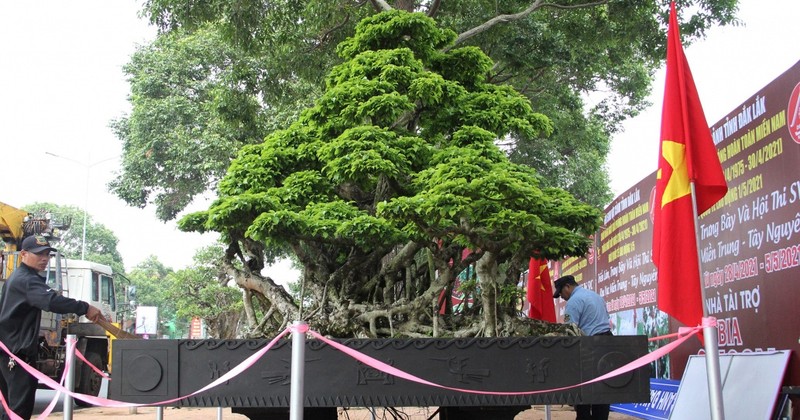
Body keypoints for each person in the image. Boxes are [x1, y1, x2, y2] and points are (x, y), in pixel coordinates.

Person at [0, 235, 106, 420]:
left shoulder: (18, 277)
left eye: (47, 254)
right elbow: (51, 301)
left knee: (8, 409)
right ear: (23, 254)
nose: (44, 259)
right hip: (17, 356)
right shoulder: (26, 280)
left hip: (8, 352)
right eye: (39, 254)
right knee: (18, 410)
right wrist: (85, 307)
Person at [552, 275, 612, 420]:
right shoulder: (595, 296)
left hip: (589, 345)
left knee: (583, 386)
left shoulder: (573, 302)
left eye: (561, 293)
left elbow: (569, 330)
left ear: (567, 286)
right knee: (603, 386)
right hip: (608, 343)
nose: (562, 297)